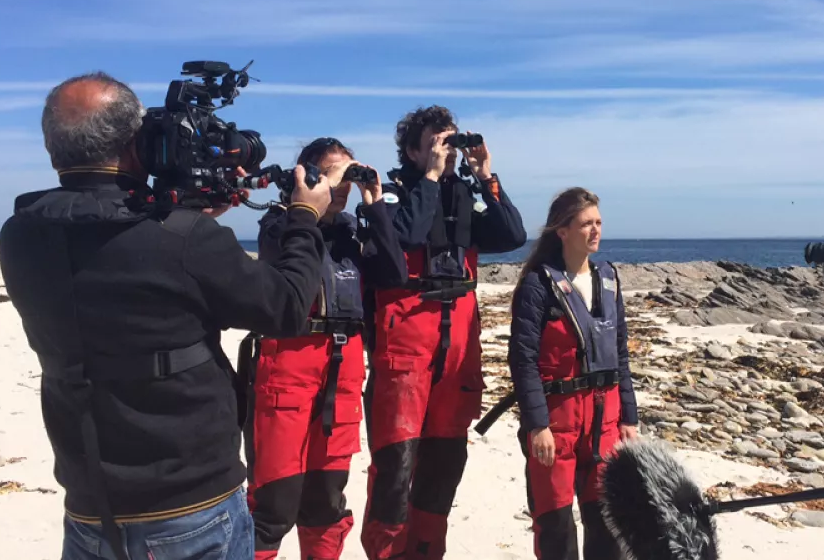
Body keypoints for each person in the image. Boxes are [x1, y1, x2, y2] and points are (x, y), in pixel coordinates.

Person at [0, 72, 333, 560]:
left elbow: (123, 256)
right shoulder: (183, 240)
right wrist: (304, 217)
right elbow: (286, 308)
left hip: (91, 506)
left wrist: (189, 219)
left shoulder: (20, 235)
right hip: (190, 504)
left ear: (53, 150)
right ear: (137, 146)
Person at [361, 105, 527, 560]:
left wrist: (485, 175)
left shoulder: (463, 196)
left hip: (457, 357)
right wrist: (432, 177)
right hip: (406, 353)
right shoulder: (390, 195)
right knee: (395, 470)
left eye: (450, 142)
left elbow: (513, 235)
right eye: (436, 142)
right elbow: (407, 237)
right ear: (413, 150)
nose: (446, 151)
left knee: (444, 468)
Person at [244, 138, 408, 560]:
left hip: (343, 369)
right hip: (290, 366)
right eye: (334, 174)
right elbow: (279, 256)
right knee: (274, 501)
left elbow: (394, 274)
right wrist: (311, 203)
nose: (342, 186)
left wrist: (376, 206)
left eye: (347, 176)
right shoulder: (281, 223)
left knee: (326, 499)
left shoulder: (353, 231)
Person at [507, 187, 639, 560]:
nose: (595, 230)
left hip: (605, 421)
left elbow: (620, 354)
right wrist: (537, 425)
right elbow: (523, 360)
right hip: (557, 423)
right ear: (562, 231)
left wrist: (630, 418)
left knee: (608, 525)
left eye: (598, 222)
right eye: (585, 224)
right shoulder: (538, 285)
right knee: (556, 527)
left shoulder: (609, 279)